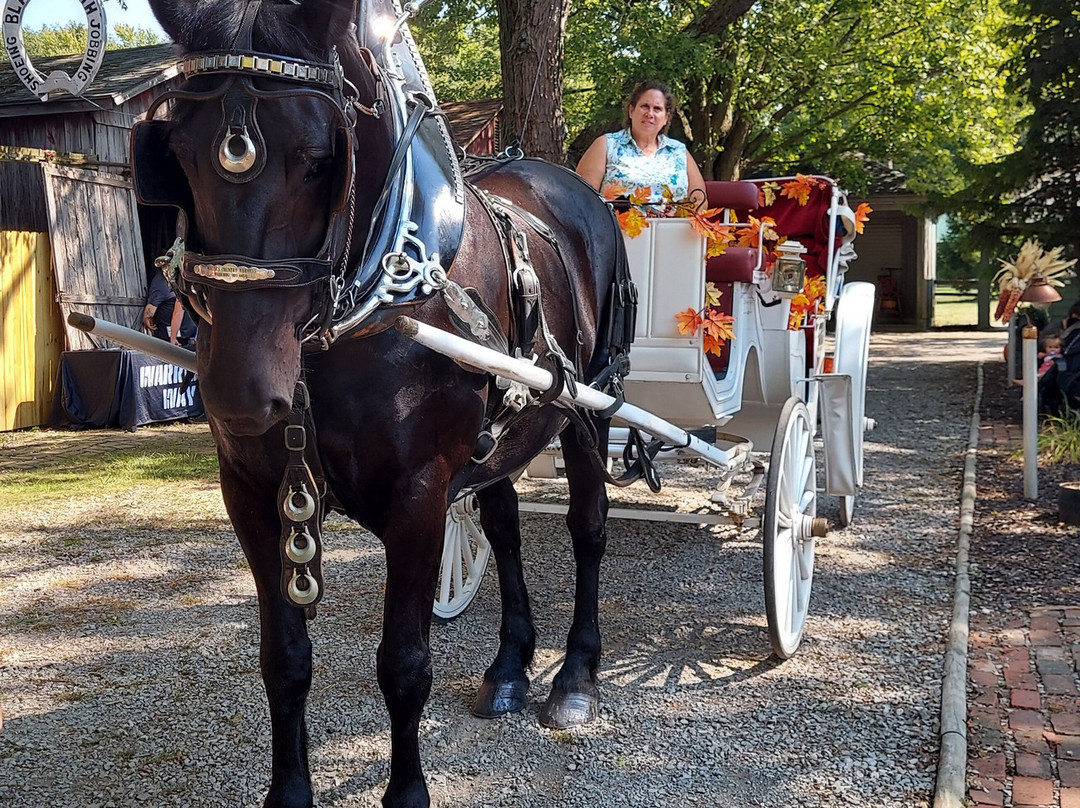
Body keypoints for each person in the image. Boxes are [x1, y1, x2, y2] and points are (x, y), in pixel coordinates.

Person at [576, 80, 707, 209]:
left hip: (672, 229)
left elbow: (700, 199)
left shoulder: (679, 151)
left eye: (657, 109)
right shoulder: (606, 145)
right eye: (644, 106)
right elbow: (583, 197)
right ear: (631, 111)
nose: (650, 114)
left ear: (666, 118)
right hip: (617, 229)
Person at [143, 270, 195, 347]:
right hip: (183, 335)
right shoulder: (186, 280)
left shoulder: (165, 282)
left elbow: (178, 312)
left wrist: (173, 338)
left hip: (173, 336)